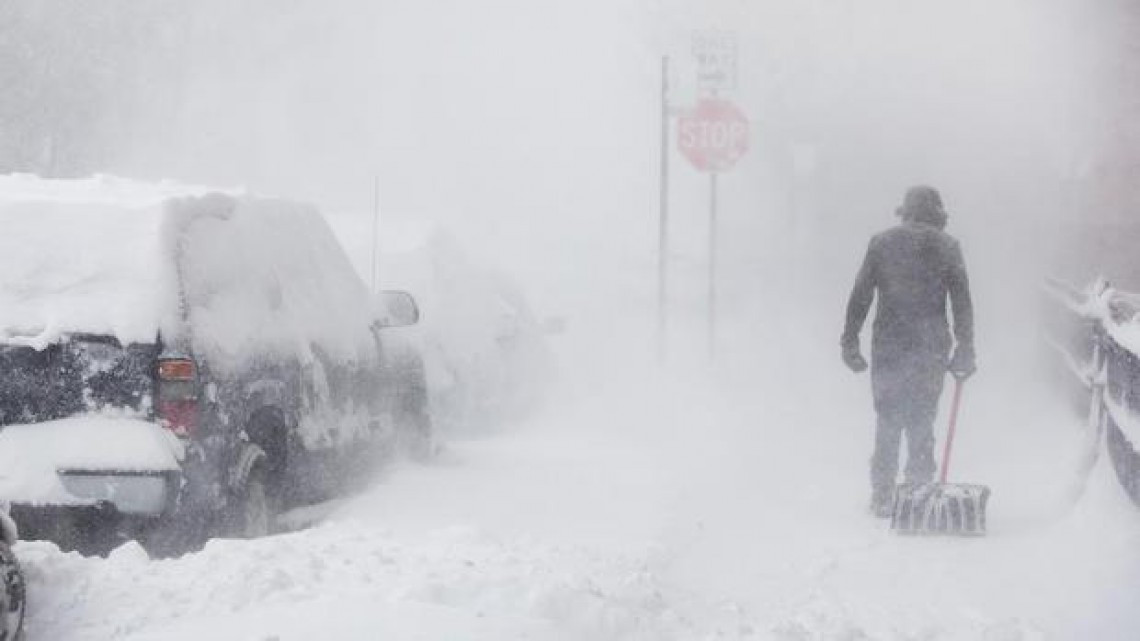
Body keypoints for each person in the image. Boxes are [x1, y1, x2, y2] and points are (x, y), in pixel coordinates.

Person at [841, 185, 975, 517]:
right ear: (937, 214)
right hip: (930, 347)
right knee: (922, 417)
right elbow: (961, 303)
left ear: (906, 212)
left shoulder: (881, 244)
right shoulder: (948, 247)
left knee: (887, 417)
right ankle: (917, 490)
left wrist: (850, 341)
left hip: (889, 344)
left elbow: (861, 296)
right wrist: (965, 347)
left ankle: (883, 494)